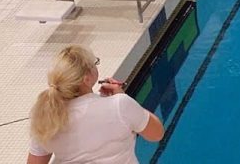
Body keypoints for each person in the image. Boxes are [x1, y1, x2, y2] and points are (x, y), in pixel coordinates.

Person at [27, 44, 164, 164]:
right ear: (86, 79)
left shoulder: (46, 116)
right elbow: (156, 134)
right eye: (94, 64)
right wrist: (121, 97)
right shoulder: (120, 105)